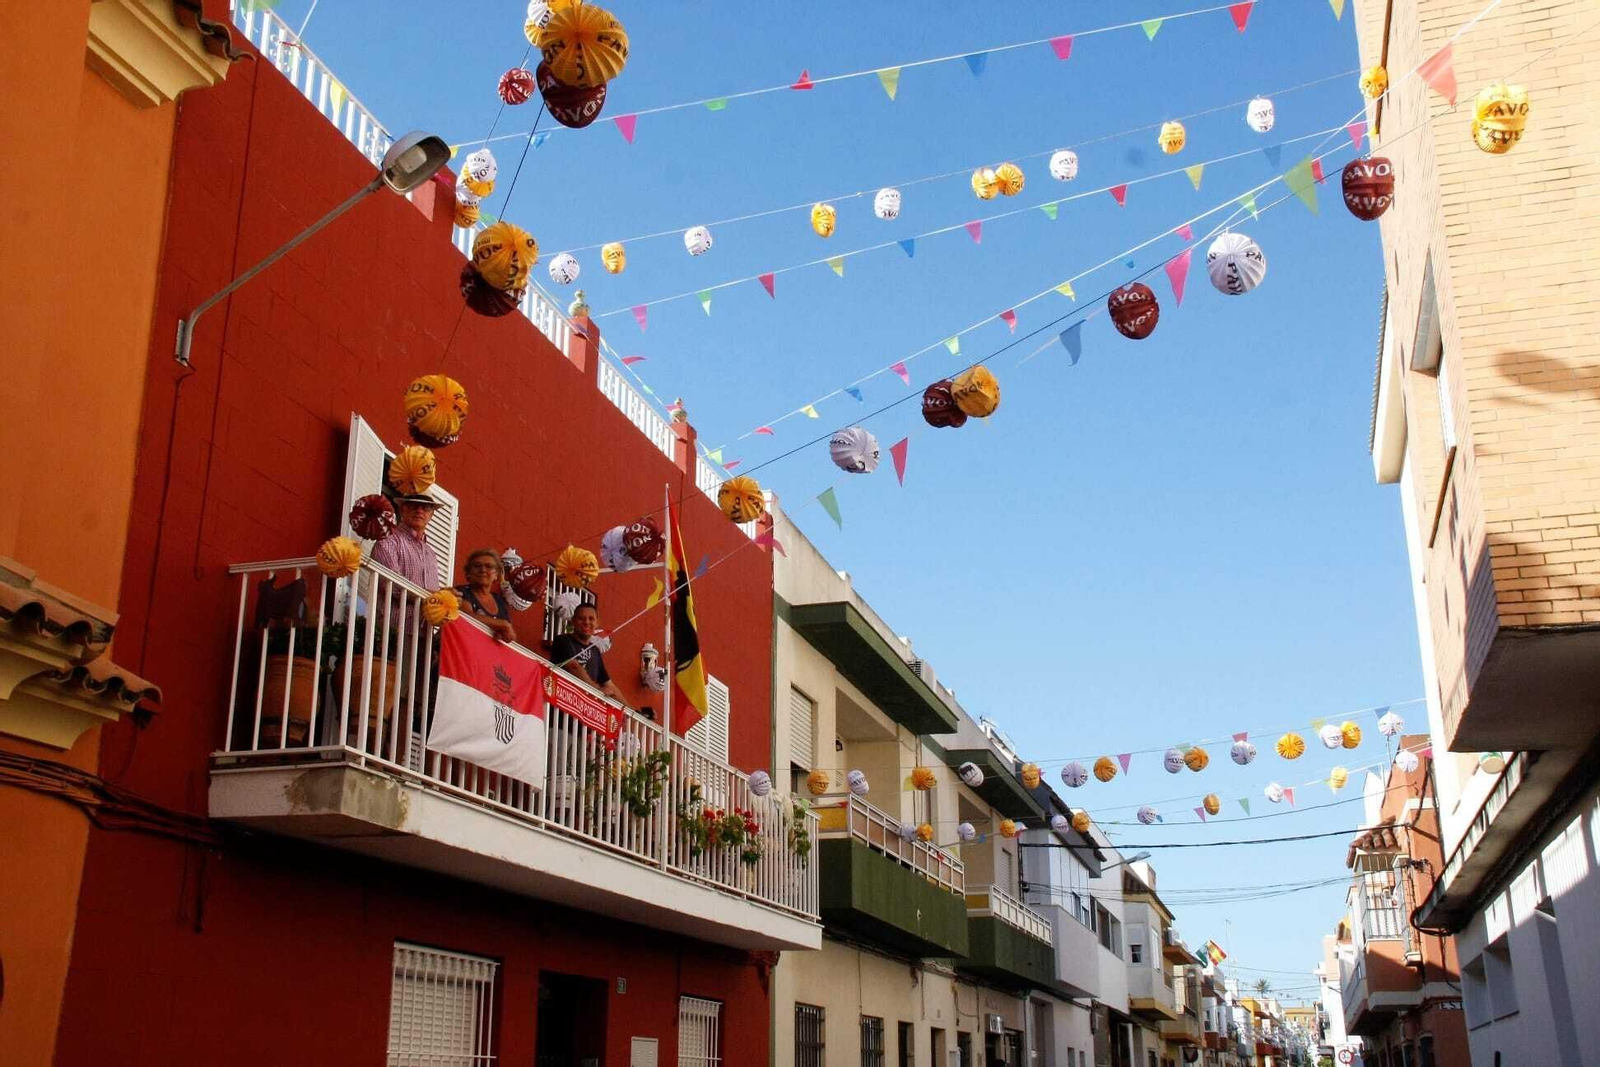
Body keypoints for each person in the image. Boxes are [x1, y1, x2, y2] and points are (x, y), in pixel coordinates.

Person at [549, 602, 625, 703]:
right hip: (561, 703)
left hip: (584, 711)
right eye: (581, 618)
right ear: (573, 621)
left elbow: (609, 685)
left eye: (591, 619)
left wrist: (634, 712)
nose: (586, 622)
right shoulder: (563, 640)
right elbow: (574, 667)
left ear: (597, 623)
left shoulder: (595, 651)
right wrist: (597, 690)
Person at [370, 492, 441, 592]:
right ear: (402, 510)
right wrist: (429, 596)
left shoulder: (431, 554)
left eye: (426, 507)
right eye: (414, 506)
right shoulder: (388, 541)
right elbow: (391, 584)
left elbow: (433, 591)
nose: (419, 511)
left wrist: (445, 594)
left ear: (431, 515)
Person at [455, 548, 517, 643]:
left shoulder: (499, 601)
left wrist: (504, 632)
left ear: (496, 574)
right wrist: (502, 624)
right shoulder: (461, 591)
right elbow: (466, 617)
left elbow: (510, 634)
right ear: (468, 572)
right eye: (477, 566)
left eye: (489, 566)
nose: (483, 570)